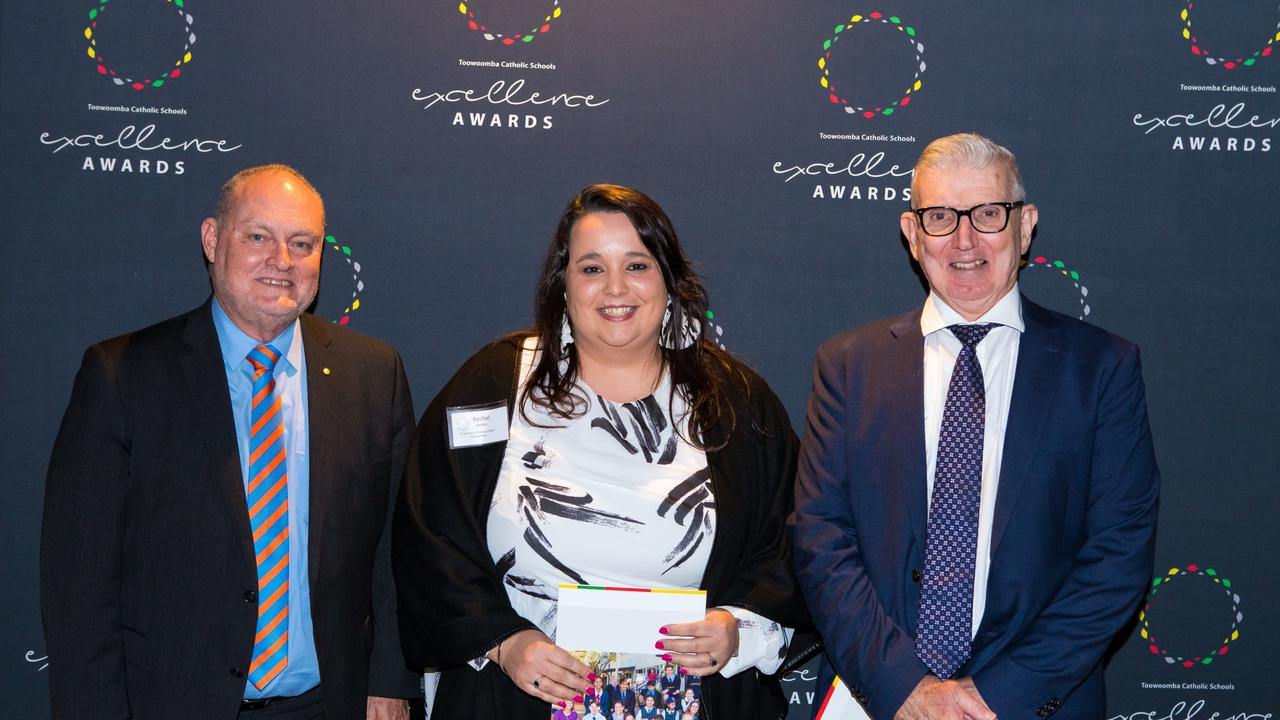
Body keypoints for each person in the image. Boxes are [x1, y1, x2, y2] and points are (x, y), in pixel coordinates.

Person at [393, 183, 807, 719]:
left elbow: (793, 542)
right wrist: (503, 643)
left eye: (637, 265)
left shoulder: (736, 399)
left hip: (695, 700)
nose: (615, 288)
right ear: (563, 286)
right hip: (516, 699)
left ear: (669, 281)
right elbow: (430, 534)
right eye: (591, 268)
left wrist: (738, 627)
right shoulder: (496, 381)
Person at [790, 133, 1161, 719]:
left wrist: (996, 697)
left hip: (1035, 704)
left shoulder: (1101, 368)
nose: (965, 239)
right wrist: (905, 688)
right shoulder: (848, 366)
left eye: (988, 213)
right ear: (912, 235)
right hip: (882, 702)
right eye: (940, 217)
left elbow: (1119, 553)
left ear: (1025, 224)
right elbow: (820, 538)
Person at [40, 165, 420, 720]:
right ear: (213, 240)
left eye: (303, 243)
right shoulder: (122, 376)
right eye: (259, 236)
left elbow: (396, 550)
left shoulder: (373, 373)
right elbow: (79, 583)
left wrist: (390, 684)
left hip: (327, 705)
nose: (282, 261)